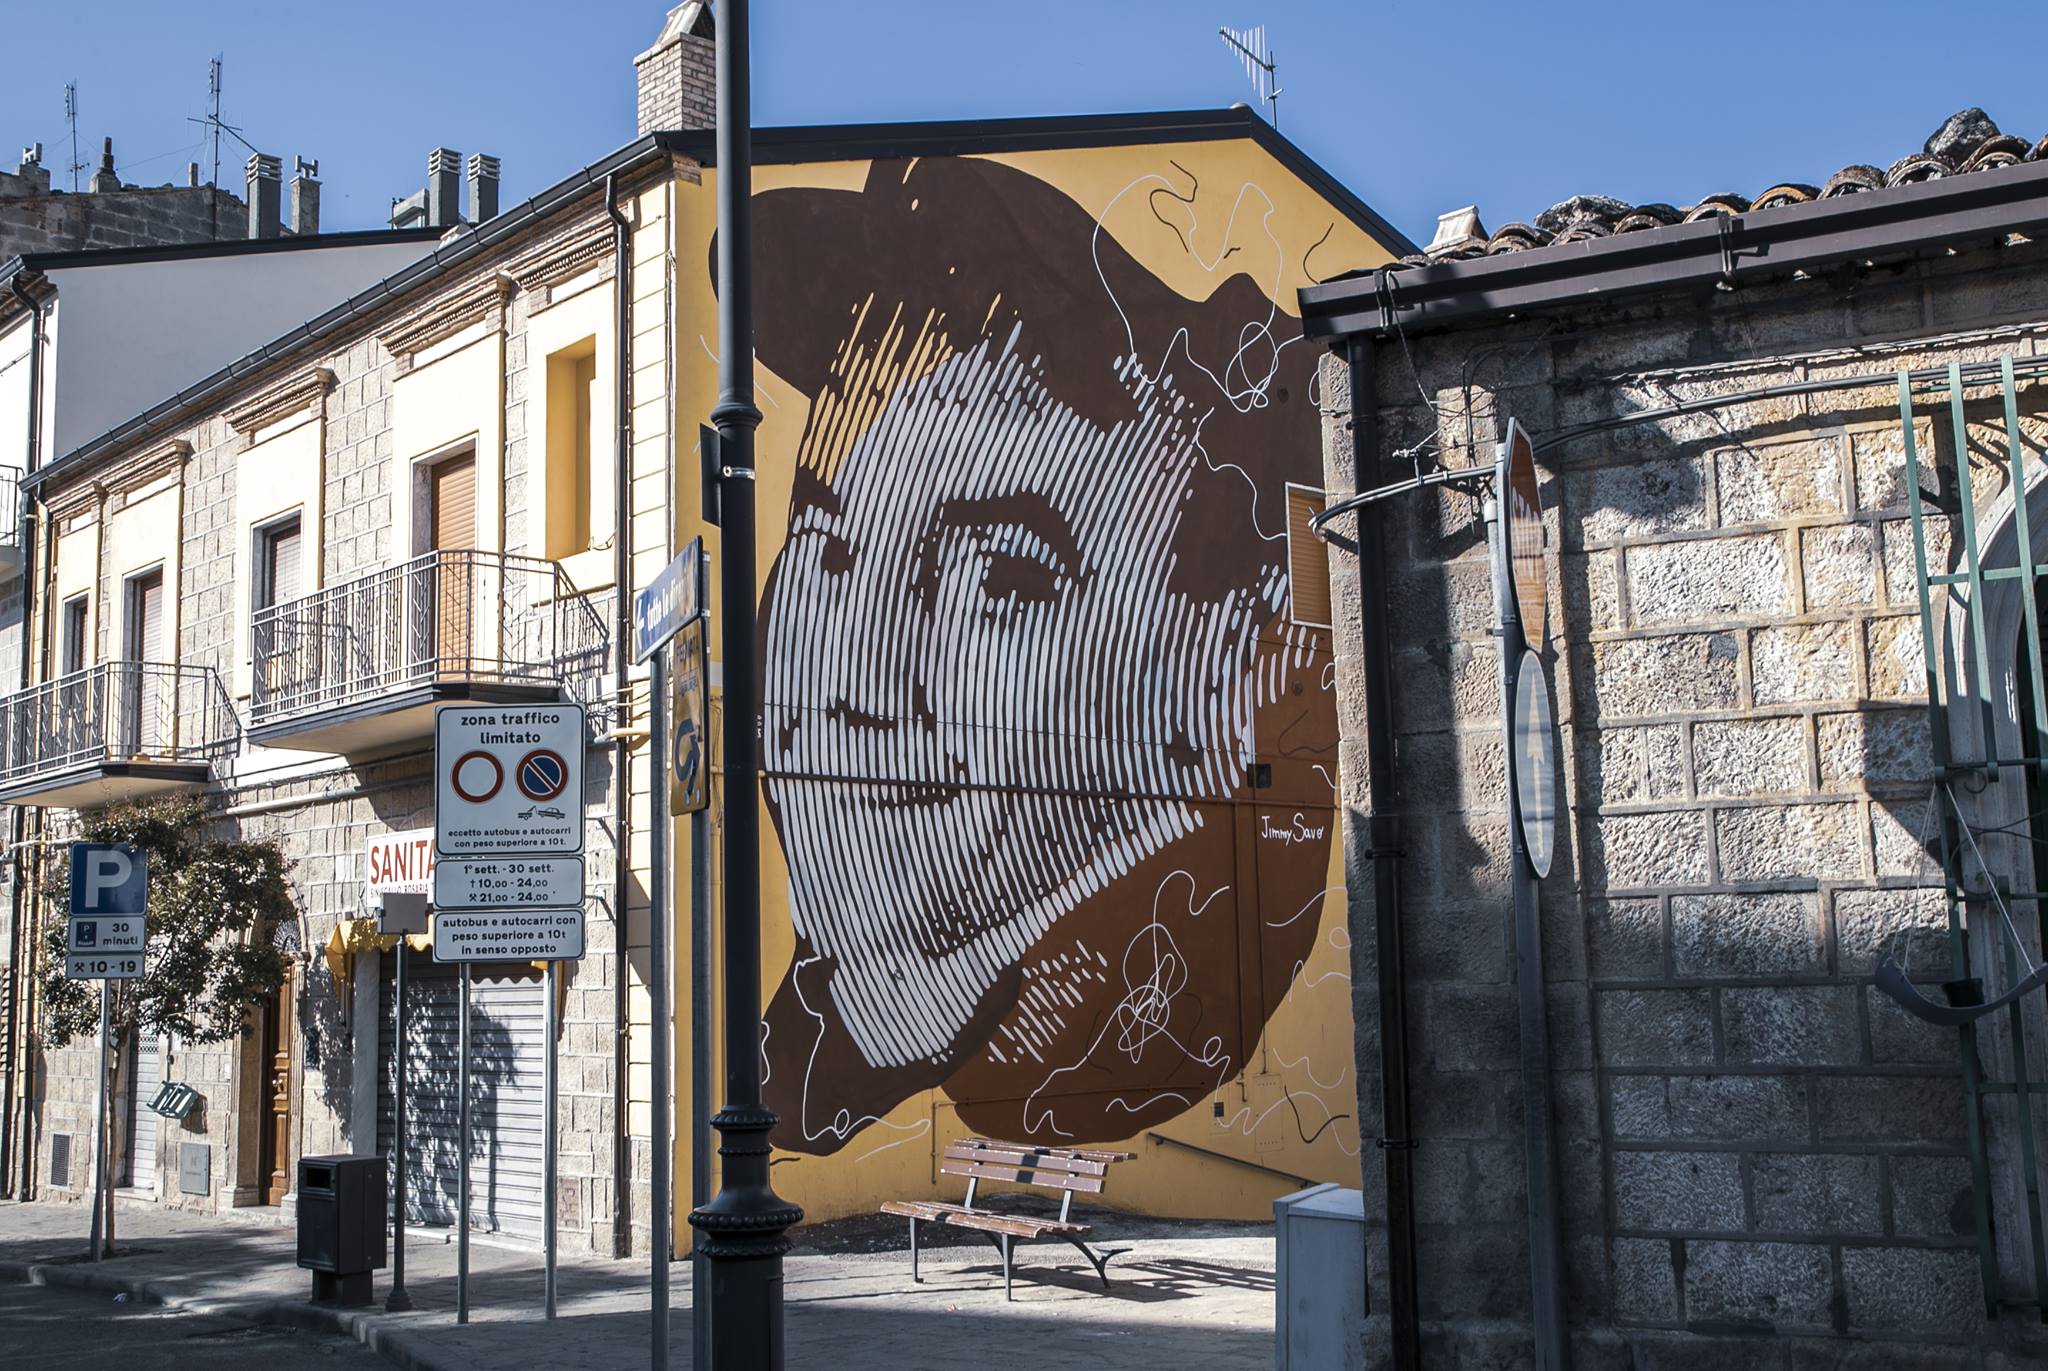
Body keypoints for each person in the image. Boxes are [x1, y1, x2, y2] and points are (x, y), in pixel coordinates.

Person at [749, 154, 1340, 1154]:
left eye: (1000, 579)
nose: (857, 684)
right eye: (832, 551)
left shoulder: (1131, 1018)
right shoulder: (848, 1028)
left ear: (1234, 647)